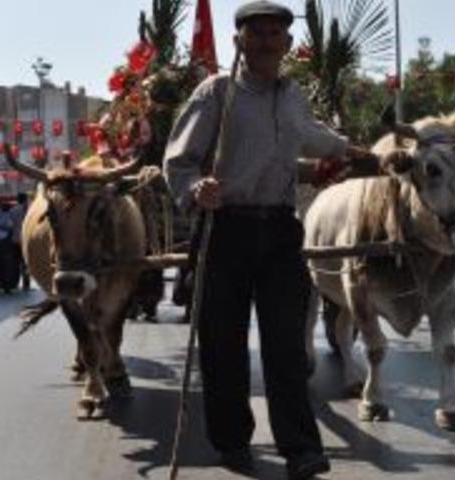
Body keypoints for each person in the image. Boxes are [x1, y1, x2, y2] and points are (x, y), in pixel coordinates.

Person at [162, 2, 375, 478]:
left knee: (286, 345)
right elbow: (178, 161)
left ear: (287, 44)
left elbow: (311, 135)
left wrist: (355, 152)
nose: (265, 41)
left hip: (280, 230)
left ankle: (301, 448)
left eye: (274, 33)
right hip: (225, 229)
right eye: (255, 33)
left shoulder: (292, 95)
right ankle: (232, 440)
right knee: (223, 345)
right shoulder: (216, 93)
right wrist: (196, 189)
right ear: (238, 41)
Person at [9, 192, 31, 291]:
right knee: (25, 262)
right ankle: (26, 282)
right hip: (25, 239)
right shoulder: (28, 210)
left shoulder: (12, 210)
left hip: (14, 239)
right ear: (25, 200)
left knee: (15, 262)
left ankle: (15, 282)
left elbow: (10, 225)